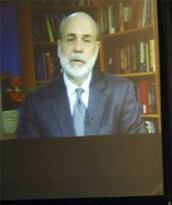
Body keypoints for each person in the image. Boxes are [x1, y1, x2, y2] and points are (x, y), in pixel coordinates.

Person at [17, 12, 145, 138]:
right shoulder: (35, 101)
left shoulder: (122, 92)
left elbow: (136, 151)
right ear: (59, 47)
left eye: (86, 40)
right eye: (71, 39)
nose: (78, 48)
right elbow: (30, 157)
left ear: (96, 48)